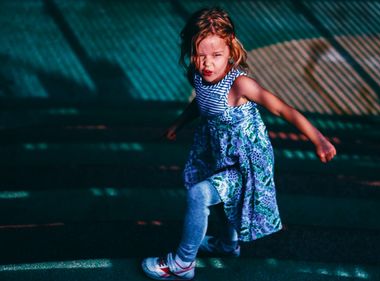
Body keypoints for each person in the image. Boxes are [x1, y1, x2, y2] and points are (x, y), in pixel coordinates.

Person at [142, 7, 336, 280]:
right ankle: (228, 244)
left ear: (231, 50)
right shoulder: (199, 76)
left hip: (246, 161)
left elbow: (282, 109)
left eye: (216, 55)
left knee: (200, 194)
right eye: (200, 55)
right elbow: (202, 102)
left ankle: (183, 262)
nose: (207, 63)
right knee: (223, 200)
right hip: (218, 151)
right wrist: (179, 123)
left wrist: (319, 138)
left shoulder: (240, 85)